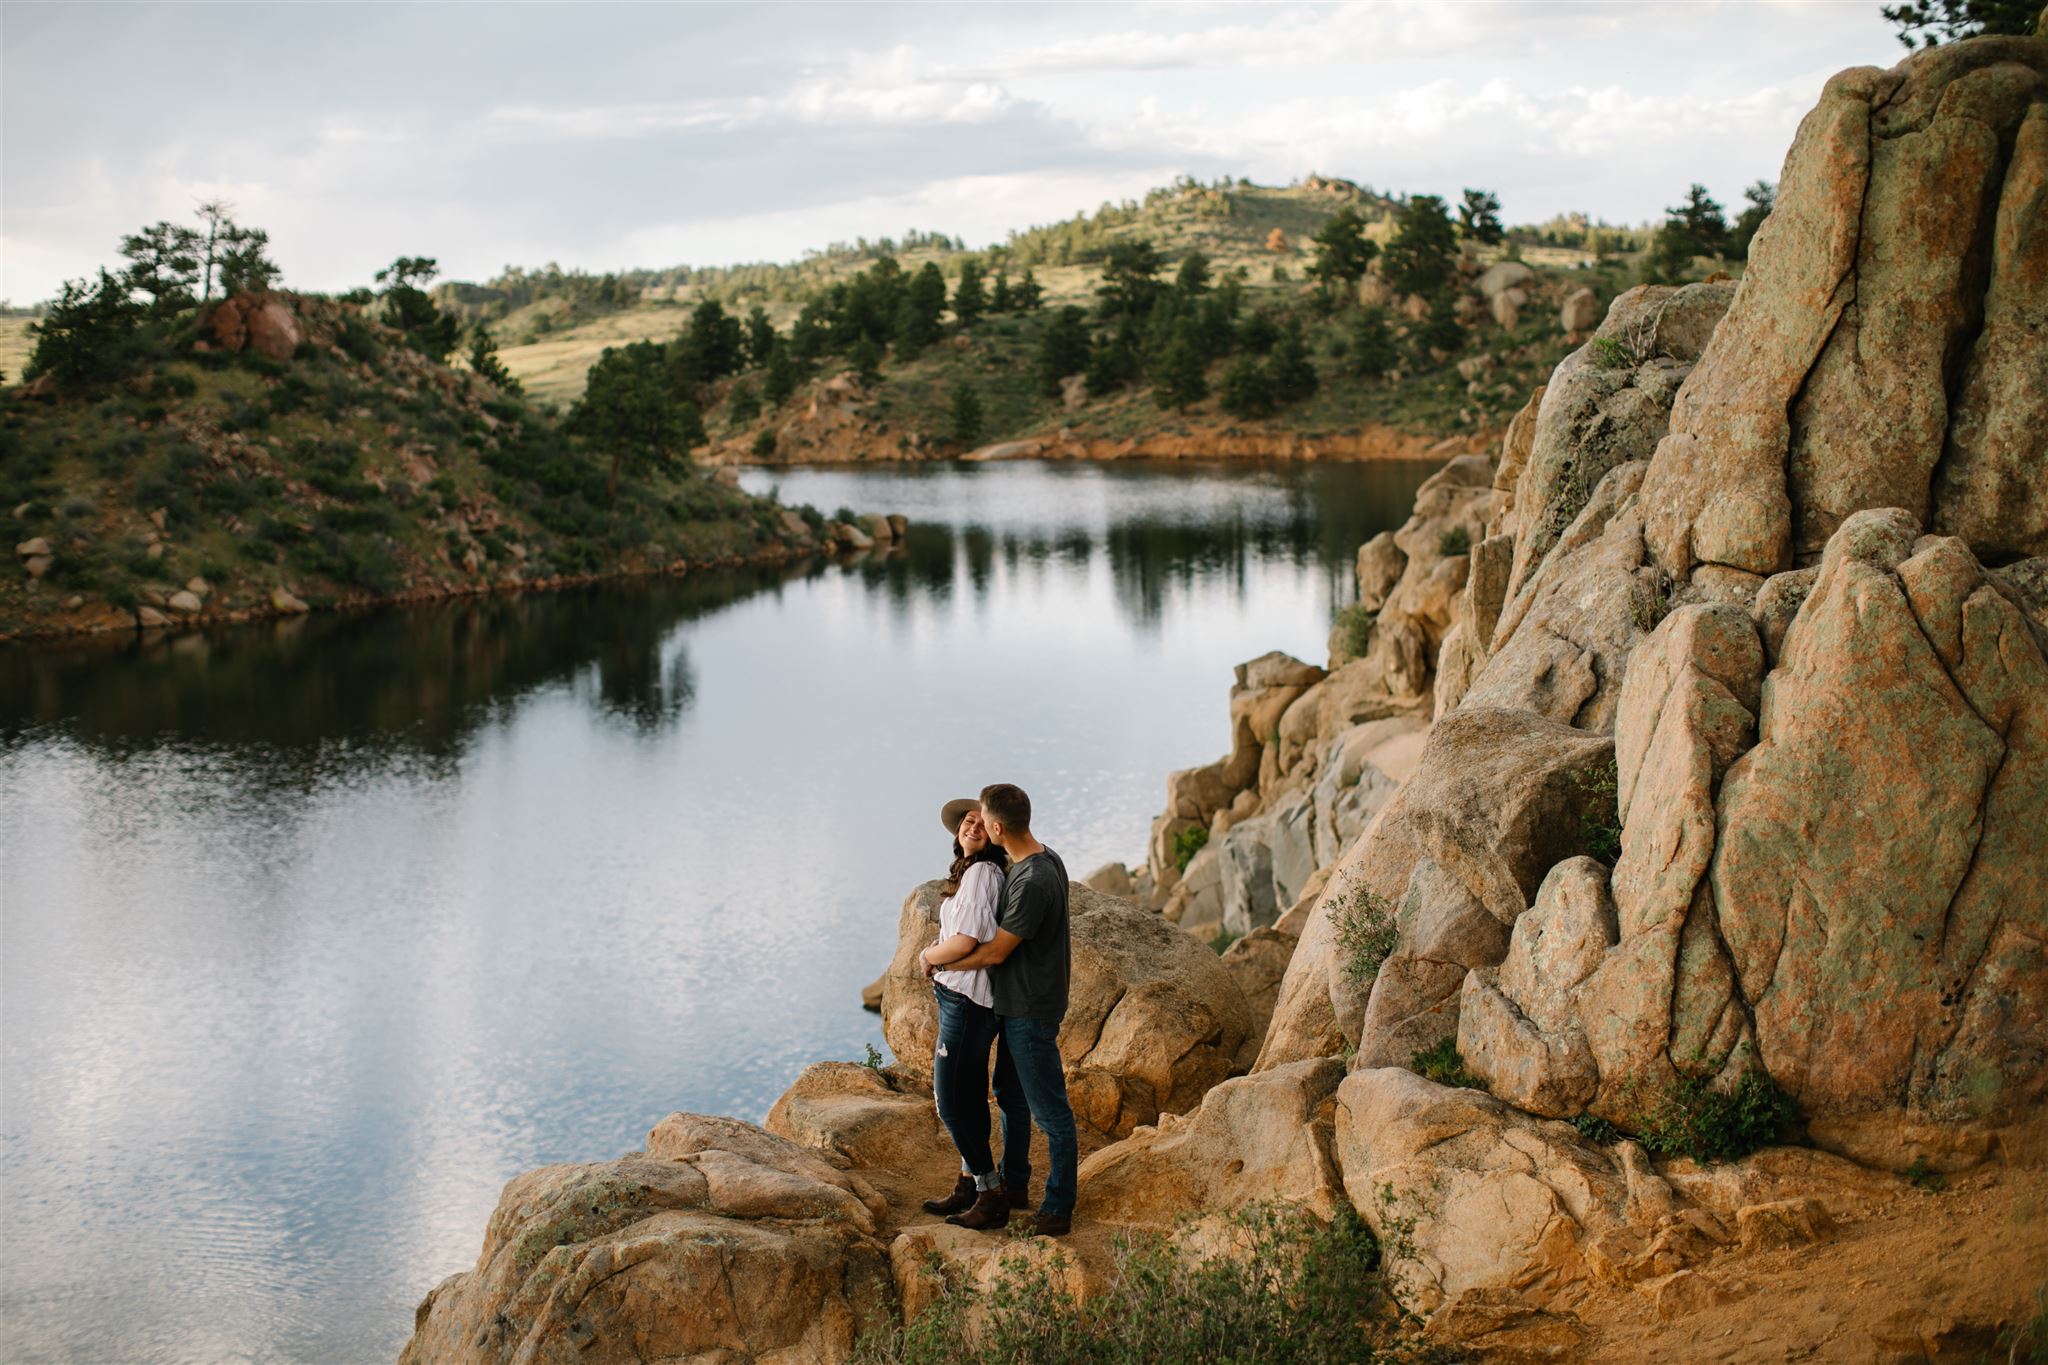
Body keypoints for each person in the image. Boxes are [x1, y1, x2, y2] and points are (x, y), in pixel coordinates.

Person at [924, 782, 1076, 1237]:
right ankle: (1014, 1185)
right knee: (1010, 1098)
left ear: (995, 827)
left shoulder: (1032, 880)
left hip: (1029, 1007)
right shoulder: (1041, 858)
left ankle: (1058, 1208)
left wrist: (937, 961)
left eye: (980, 818)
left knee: (1051, 1113)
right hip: (1018, 1003)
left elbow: (992, 953)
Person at [913, 799, 1024, 1223]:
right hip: (965, 1000)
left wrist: (929, 956)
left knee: (951, 1103)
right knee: (971, 1098)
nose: (971, 826)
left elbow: (965, 942)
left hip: (967, 1001)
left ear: (995, 831)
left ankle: (990, 1192)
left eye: (980, 821)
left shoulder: (981, 874)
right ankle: (968, 1183)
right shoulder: (977, 872)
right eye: (966, 821)